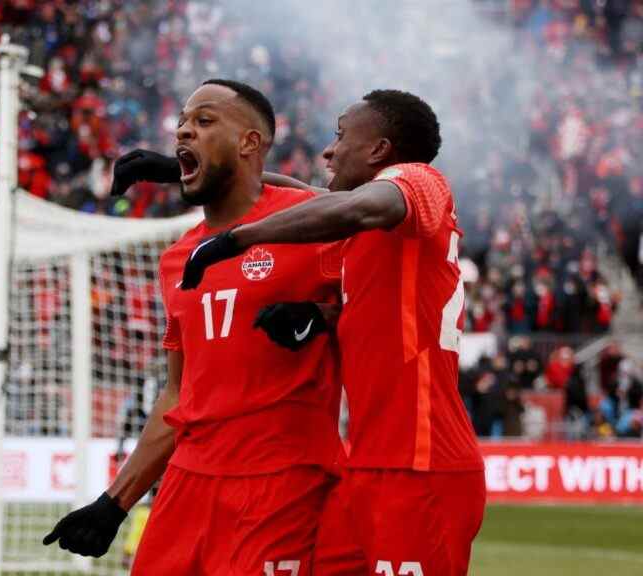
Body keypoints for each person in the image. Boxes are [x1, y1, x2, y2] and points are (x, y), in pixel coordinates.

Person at [176, 89, 486, 575]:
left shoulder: (417, 180)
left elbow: (352, 207)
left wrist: (236, 239)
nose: (328, 150)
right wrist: (321, 316)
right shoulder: (368, 230)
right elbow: (309, 198)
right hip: (363, 464)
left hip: (421, 465)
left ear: (379, 150)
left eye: (341, 135)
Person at [43, 79, 346, 575]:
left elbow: (384, 271)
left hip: (281, 479)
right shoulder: (178, 258)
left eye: (204, 122)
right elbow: (178, 395)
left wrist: (323, 317)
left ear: (251, 142)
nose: (183, 132)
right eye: (181, 124)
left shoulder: (315, 223)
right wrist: (115, 502)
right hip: (188, 482)